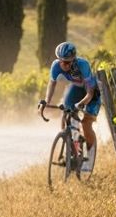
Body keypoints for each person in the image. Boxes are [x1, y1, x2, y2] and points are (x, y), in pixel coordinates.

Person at [38, 41, 101, 172]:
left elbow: (90, 93)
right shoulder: (56, 66)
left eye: (67, 62)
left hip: (91, 92)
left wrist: (81, 104)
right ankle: (72, 146)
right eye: (61, 61)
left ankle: (89, 156)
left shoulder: (82, 65)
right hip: (76, 88)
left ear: (73, 60)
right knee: (66, 114)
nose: (63, 65)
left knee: (86, 124)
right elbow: (52, 84)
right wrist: (46, 101)